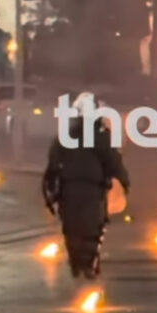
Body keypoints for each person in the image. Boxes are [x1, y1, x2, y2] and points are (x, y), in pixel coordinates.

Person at [43, 92, 130, 280]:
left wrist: (51, 188)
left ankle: (76, 262)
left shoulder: (66, 136)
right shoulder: (100, 137)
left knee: (72, 227)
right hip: (92, 190)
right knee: (93, 227)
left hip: (69, 190)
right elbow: (113, 161)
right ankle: (88, 264)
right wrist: (124, 182)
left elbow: (53, 163)